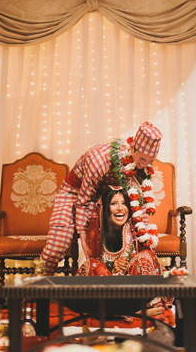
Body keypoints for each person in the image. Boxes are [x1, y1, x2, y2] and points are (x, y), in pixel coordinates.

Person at [40, 121, 162, 276]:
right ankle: (36, 290)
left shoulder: (142, 167)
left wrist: (147, 243)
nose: (145, 164)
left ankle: (132, 290)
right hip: (75, 195)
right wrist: (83, 237)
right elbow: (84, 200)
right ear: (132, 147)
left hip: (106, 199)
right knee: (57, 245)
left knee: (136, 240)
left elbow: (138, 203)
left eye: (150, 161)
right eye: (143, 159)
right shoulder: (99, 159)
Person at [79, 185, 173, 323]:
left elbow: (147, 261)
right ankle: (131, 312)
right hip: (112, 289)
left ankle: (133, 309)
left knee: (145, 256)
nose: (120, 208)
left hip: (134, 285)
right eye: (113, 204)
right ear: (105, 209)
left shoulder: (136, 227)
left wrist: (128, 265)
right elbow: (98, 266)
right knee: (91, 265)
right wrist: (113, 267)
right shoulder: (98, 231)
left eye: (124, 203)